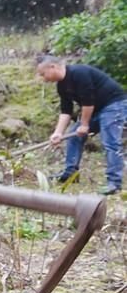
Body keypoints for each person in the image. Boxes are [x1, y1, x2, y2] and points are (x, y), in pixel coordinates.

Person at [36, 56, 126, 195]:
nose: (44, 78)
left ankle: (114, 183)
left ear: (52, 67)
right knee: (73, 137)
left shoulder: (79, 73)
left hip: (114, 105)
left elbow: (88, 102)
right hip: (96, 109)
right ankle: (70, 173)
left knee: (110, 142)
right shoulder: (62, 85)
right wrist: (58, 133)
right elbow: (66, 110)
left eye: (43, 74)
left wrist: (84, 125)